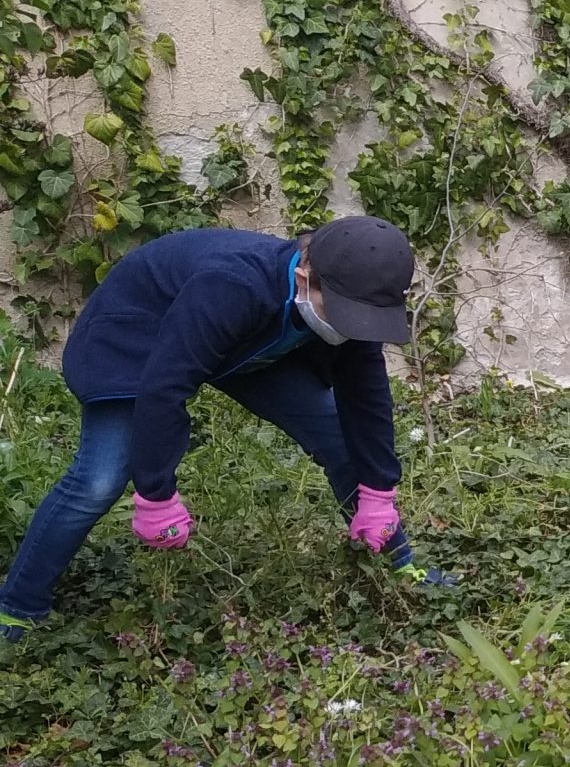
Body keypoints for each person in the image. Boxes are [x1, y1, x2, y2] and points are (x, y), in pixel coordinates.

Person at [0, 215, 429, 640]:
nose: (351, 326)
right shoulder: (234, 284)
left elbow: (367, 399)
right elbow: (166, 386)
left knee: (338, 437)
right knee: (98, 481)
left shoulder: (351, 297)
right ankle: (18, 607)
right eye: (343, 315)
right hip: (138, 337)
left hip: (241, 343)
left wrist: (379, 493)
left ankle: (401, 567)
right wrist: (156, 495)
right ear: (304, 276)